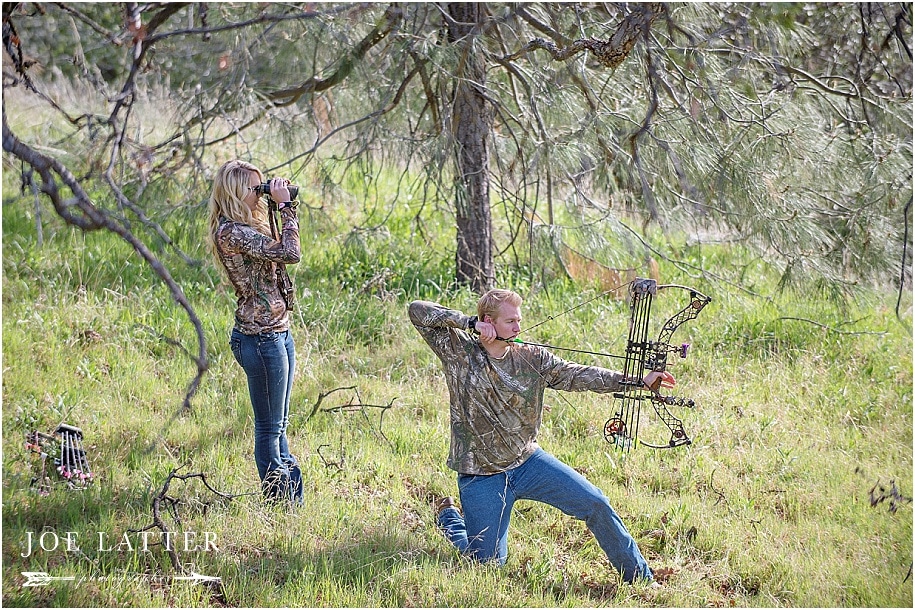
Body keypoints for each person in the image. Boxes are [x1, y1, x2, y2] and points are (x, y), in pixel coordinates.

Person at [409, 289, 674, 584]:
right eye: (510, 321)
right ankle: (450, 520)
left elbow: (577, 374)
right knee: (485, 566)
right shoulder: (459, 352)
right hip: (480, 475)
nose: (518, 328)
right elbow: (417, 310)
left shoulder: (531, 357)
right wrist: (469, 323)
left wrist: (639, 381)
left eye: (519, 320)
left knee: (596, 503)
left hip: (527, 463)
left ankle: (641, 579)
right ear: (489, 322)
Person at [208, 160, 303, 504]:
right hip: (260, 339)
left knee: (280, 424)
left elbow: (279, 252)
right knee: (269, 428)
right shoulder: (231, 232)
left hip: (278, 332)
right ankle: (279, 502)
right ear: (235, 193)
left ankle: (292, 501)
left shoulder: (251, 225)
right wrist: (286, 207)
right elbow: (290, 253)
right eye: (255, 188)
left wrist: (280, 208)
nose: (260, 194)